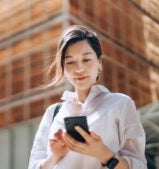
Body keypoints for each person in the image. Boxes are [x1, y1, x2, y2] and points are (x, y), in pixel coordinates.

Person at [28, 25, 147, 169]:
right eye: (70, 62)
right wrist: (54, 156)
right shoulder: (53, 113)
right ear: (63, 69)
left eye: (86, 60)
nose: (79, 69)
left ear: (99, 63)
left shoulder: (121, 104)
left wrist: (104, 155)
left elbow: (139, 165)